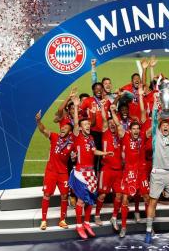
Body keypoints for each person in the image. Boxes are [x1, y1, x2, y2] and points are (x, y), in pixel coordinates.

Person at [69, 96, 113, 239]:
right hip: (81, 173)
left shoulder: (91, 138)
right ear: (81, 127)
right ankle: (79, 225)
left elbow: (94, 151)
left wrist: (105, 152)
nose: (87, 126)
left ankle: (87, 223)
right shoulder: (77, 135)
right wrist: (76, 106)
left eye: (88, 124)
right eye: (85, 124)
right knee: (81, 200)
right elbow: (75, 123)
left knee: (90, 200)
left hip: (91, 173)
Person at [111, 83, 150, 238]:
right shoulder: (125, 136)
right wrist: (113, 112)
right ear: (130, 130)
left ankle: (149, 227)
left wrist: (160, 115)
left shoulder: (143, 136)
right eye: (133, 128)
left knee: (147, 198)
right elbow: (118, 124)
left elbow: (144, 116)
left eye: (137, 129)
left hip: (142, 172)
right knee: (125, 199)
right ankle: (124, 227)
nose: (135, 130)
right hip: (129, 172)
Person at [145, 92, 169, 244]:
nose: (166, 127)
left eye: (168, 126)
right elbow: (155, 119)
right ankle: (148, 232)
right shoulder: (156, 137)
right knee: (152, 202)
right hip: (157, 174)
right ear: (160, 128)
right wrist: (155, 102)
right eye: (164, 126)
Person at [36, 110, 74, 230]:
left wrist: (74, 156)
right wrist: (38, 120)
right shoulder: (54, 136)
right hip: (51, 171)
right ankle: (43, 221)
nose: (63, 129)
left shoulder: (71, 143)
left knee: (64, 196)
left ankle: (62, 220)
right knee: (47, 195)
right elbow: (43, 130)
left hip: (63, 173)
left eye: (66, 128)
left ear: (70, 132)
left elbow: (76, 153)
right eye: (62, 127)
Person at [94, 112, 123, 230]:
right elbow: (105, 120)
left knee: (119, 195)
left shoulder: (121, 135)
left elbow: (119, 125)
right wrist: (105, 108)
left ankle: (114, 217)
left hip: (119, 171)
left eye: (113, 123)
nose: (111, 124)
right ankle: (96, 215)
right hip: (106, 169)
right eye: (109, 123)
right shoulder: (105, 133)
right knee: (102, 195)